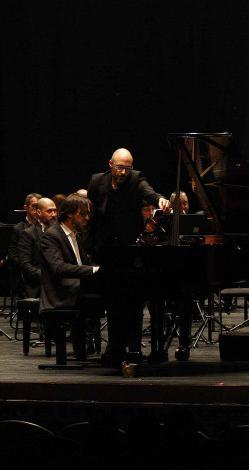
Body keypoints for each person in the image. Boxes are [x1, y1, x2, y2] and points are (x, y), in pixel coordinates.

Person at [87, 148, 170, 366]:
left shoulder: (137, 178)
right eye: (120, 167)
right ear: (110, 164)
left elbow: (149, 192)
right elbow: (93, 216)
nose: (124, 172)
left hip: (127, 248)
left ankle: (131, 348)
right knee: (113, 300)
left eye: (128, 167)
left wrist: (160, 199)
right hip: (104, 248)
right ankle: (115, 347)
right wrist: (89, 247)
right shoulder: (97, 181)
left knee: (131, 299)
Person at [39, 194, 99, 360]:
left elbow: (83, 264)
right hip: (60, 292)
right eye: (83, 214)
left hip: (75, 288)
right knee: (105, 299)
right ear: (70, 213)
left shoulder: (75, 235)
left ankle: (101, 348)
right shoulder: (52, 235)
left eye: (88, 214)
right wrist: (92, 271)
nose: (87, 218)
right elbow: (58, 268)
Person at [17, 197, 58, 299]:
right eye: (49, 211)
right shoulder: (28, 233)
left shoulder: (61, 232)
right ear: (39, 212)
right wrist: (46, 278)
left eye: (55, 210)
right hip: (39, 281)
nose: (53, 214)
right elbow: (26, 264)